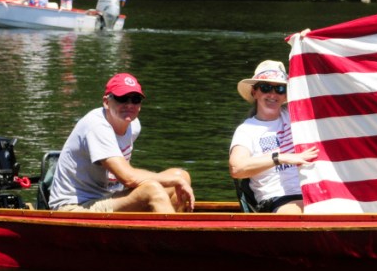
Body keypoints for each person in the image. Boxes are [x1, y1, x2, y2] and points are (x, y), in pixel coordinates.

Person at [48, 73, 195, 213]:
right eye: (122, 98)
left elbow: (128, 176)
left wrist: (177, 180)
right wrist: (170, 182)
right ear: (106, 102)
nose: (129, 104)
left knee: (182, 176)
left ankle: (171, 226)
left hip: (109, 197)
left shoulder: (134, 125)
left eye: (135, 99)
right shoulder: (96, 126)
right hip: (74, 207)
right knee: (153, 189)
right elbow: (129, 177)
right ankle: (175, 235)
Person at [229, 60, 318, 214]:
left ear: (285, 96)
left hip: (313, 190)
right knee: (303, 212)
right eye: (266, 88)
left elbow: (321, 86)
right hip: (277, 198)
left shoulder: (296, 116)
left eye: (280, 89)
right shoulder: (246, 130)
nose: (272, 94)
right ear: (254, 92)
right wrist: (281, 158)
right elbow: (236, 168)